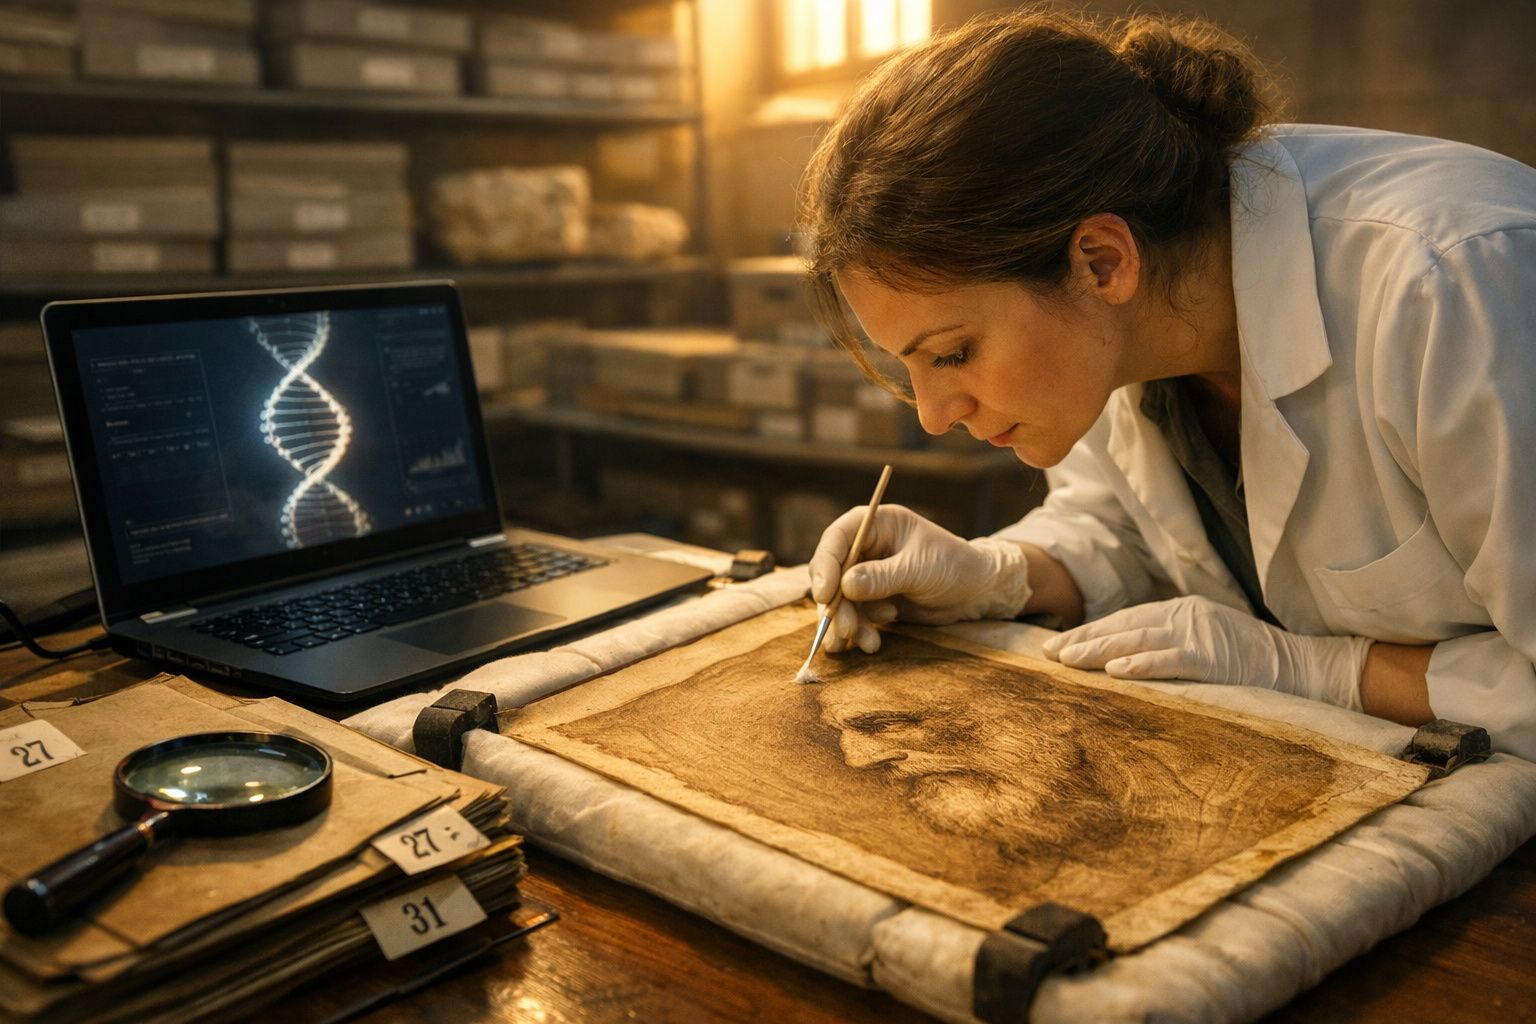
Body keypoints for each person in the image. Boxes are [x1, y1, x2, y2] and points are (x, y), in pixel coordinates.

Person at [801, 8, 1536, 759]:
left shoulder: (1457, 287)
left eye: (953, 354)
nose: (933, 415)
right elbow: (1126, 534)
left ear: (1101, 262)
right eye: (909, 365)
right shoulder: (1119, 333)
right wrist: (994, 576)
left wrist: (1325, 671)